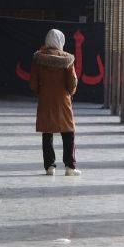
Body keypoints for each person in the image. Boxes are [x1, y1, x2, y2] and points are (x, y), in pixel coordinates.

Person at [29, 28, 80, 176]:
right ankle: (70, 167)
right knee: (68, 133)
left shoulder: (38, 58)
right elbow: (72, 83)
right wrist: (69, 93)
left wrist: (42, 92)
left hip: (45, 100)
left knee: (47, 133)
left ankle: (50, 167)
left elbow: (32, 83)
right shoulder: (68, 59)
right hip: (63, 101)